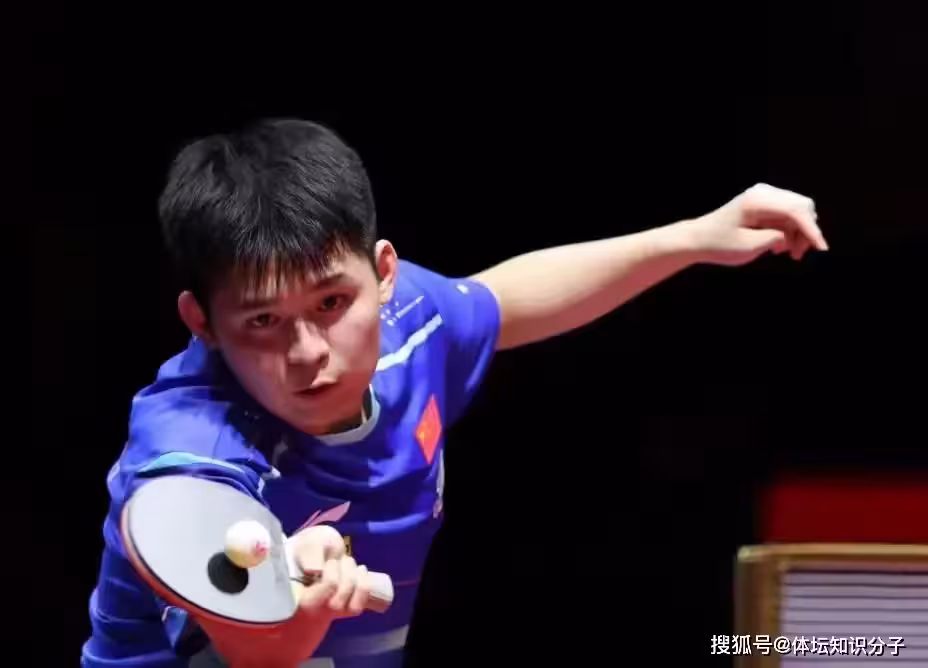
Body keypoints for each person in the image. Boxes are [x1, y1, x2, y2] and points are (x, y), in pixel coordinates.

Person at [81, 118, 827, 667]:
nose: (307, 351)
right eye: (263, 321)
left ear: (383, 273)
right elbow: (258, 653)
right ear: (201, 322)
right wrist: (300, 603)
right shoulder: (192, 449)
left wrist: (693, 237)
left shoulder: (409, 324)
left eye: (331, 303)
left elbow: (501, 300)